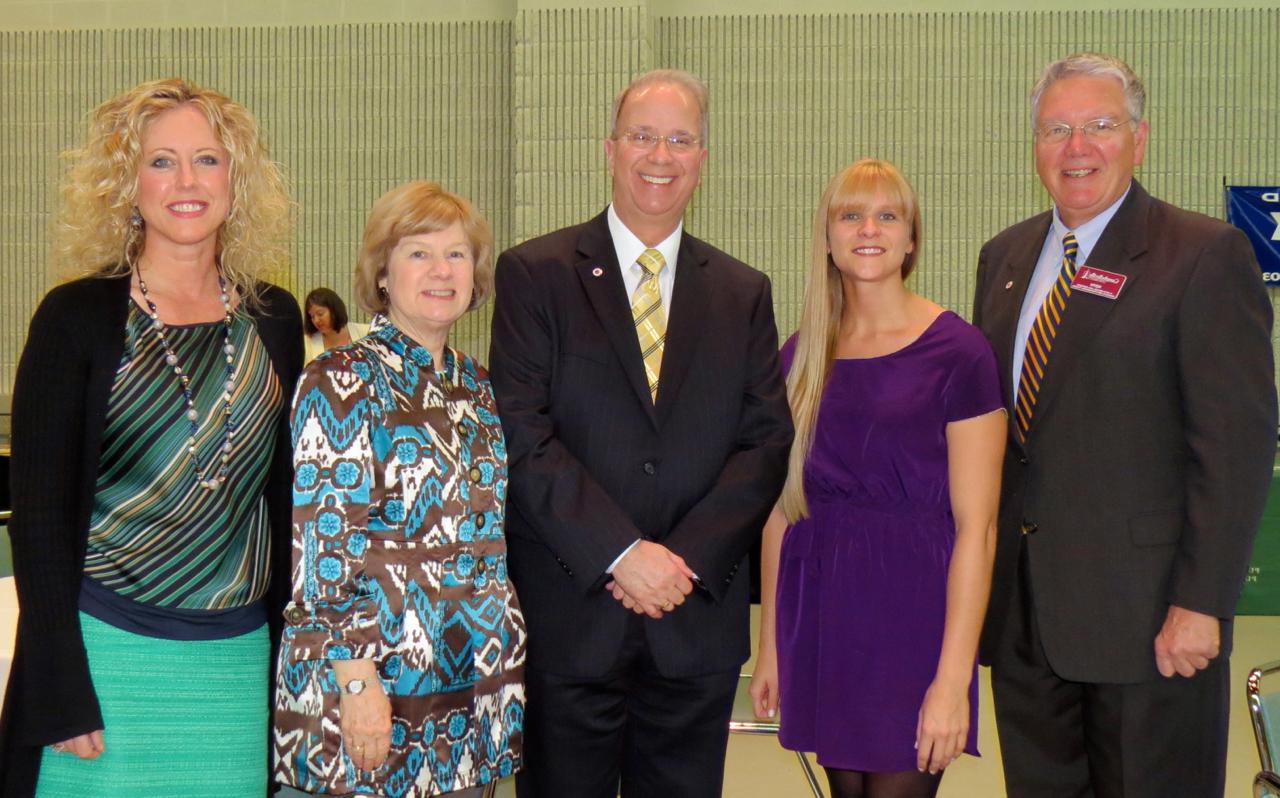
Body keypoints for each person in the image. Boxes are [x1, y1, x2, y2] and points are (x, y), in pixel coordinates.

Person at [972, 52, 1276, 797]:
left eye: (1100, 126)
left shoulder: (1204, 255)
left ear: (1139, 139)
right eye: (1056, 130)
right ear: (1035, 145)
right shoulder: (1003, 258)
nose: (1077, 148)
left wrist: (1202, 603)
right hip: (1027, 625)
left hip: (1152, 626)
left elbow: (1232, 451)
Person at [489, 68, 794, 798]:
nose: (661, 156)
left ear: (703, 159)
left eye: (681, 140)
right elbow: (522, 434)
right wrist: (620, 554)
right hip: (572, 619)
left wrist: (680, 561)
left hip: (693, 625)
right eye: (644, 136)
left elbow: (765, 444)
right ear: (611, 147)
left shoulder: (742, 292)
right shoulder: (536, 274)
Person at [0, 77, 302, 797]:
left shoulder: (274, 319)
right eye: (160, 161)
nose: (186, 181)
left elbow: (288, 503)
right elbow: (38, 518)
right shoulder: (74, 318)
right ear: (126, 183)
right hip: (105, 660)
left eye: (207, 159)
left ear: (237, 179)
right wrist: (58, 680)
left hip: (235, 664)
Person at [749, 159, 1006, 798]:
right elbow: (783, 511)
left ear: (912, 238)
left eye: (887, 215)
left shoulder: (960, 352)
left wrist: (952, 681)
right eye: (851, 215)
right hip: (826, 614)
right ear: (829, 239)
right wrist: (771, 647)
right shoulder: (802, 354)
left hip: (913, 618)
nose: (870, 229)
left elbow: (979, 529)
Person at [272, 180, 526, 798]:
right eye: (418, 253)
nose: (441, 271)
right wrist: (357, 685)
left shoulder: (478, 386)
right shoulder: (341, 382)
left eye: (457, 254)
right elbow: (322, 552)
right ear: (382, 274)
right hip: (371, 691)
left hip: (473, 694)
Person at [302, 286, 369, 362]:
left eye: (320, 314)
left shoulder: (366, 332)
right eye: (312, 316)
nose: (316, 320)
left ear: (334, 310)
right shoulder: (307, 343)